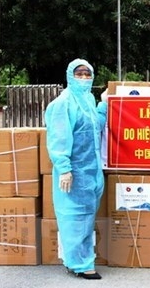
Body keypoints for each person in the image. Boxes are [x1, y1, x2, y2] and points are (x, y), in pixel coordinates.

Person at [45, 58, 108, 280]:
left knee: (86, 218)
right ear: (70, 76)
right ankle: (82, 265)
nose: (83, 78)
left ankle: (76, 261)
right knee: (75, 218)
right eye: (79, 74)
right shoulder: (63, 103)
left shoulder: (88, 100)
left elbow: (96, 127)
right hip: (74, 173)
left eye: (87, 74)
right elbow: (59, 137)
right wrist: (64, 168)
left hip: (91, 171)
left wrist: (103, 105)